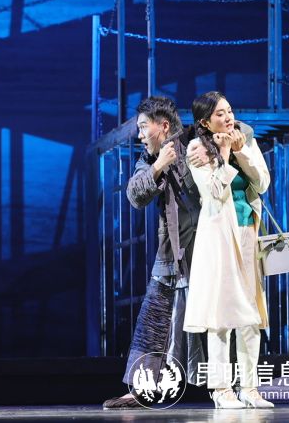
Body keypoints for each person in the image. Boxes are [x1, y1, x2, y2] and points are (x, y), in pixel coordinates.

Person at [103, 96, 206, 409]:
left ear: (163, 126)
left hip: (210, 252)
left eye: (143, 127)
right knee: (153, 323)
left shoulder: (197, 141)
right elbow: (134, 195)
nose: (139, 135)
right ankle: (142, 388)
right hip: (171, 257)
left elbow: (239, 130)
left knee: (221, 322)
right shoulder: (148, 160)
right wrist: (159, 165)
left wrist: (218, 147)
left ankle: (236, 386)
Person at [183, 91, 273, 409]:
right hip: (219, 237)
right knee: (220, 316)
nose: (228, 117)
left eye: (230, 111)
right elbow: (213, 192)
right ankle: (221, 389)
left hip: (248, 232)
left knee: (251, 314)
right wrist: (221, 153)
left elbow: (262, 183)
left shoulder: (244, 140)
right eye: (220, 114)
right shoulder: (196, 149)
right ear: (205, 122)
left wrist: (240, 152)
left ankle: (250, 388)